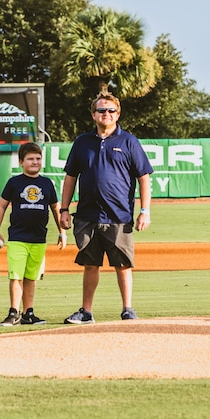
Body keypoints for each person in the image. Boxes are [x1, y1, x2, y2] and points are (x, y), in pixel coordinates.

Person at [59, 93, 153, 324]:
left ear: (118, 114)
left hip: (119, 215)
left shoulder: (128, 141)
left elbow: (144, 177)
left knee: (122, 264)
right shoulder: (82, 142)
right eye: (102, 110)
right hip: (88, 215)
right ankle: (86, 312)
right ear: (93, 115)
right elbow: (71, 177)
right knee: (90, 265)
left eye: (111, 110)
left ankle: (128, 309)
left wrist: (145, 211)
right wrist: (63, 209)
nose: (106, 114)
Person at [0, 142, 67, 326]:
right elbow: (1, 206)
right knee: (16, 275)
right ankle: (13, 312)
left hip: (39, 239)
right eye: (30, 159)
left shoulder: (47, 183)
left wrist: (62, 232)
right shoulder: (14, 182)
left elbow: (55, 208)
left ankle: (28, 313)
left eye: (38, 159)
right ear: (21, 162)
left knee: (31, 277)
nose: (35, 162)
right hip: (17, 238)